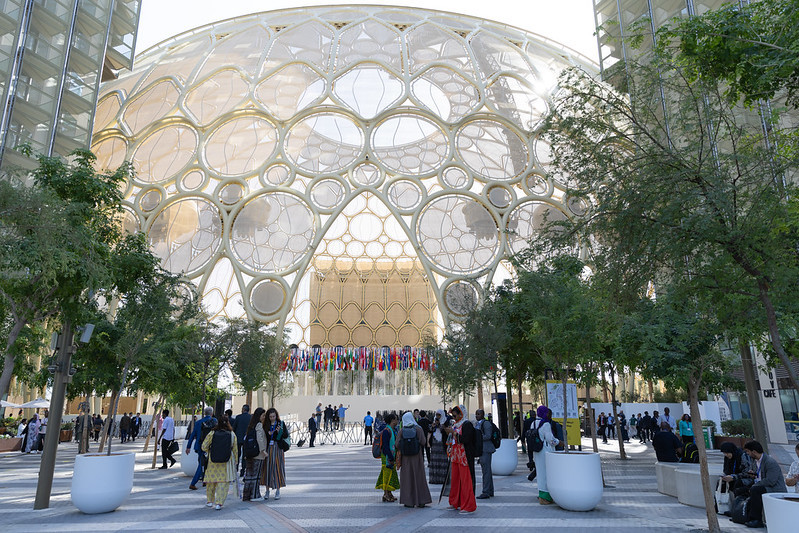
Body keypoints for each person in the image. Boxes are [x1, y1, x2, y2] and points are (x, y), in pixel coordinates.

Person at [742, 440, 787, 528]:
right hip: (761, 485)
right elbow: (759, 475)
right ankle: (743, 516)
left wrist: (756, 484)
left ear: (754, 452)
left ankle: (757, 520)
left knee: (755, 490)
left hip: (774, 488)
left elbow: (770, 481)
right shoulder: (755, 461)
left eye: (748, 451)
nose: (747, 454)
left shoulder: (770, 462)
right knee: (741, 487)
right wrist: (753, 474)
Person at [443, 405, 477, 514]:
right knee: (455, 480)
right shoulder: (455, 424)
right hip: (455, 455)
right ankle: (455, 502)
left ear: (461, 414)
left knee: (466, 480)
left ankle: (468, 505)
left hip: (464, 457)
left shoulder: (467, 424)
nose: (454, 417)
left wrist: (453, 433)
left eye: (455, 415)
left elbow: (466, 439)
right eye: (453, 415)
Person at [201, 415, 238, 510]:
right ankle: (219, 503)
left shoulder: (212, 433)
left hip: (212, 462)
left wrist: (210, 451)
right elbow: (235, 450)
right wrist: (236, 461)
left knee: (211, 482)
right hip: (226, 462)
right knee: (223, 483)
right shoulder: (232, 434)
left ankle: (210, 501)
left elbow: (204, 446)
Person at [397, 411, 432, 508]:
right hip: (417, 457)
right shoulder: (418, 429)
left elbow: (397, 444)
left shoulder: (402, 430)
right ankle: (421, 500)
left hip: (406, 459)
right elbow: (423, 441)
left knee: (407, 479)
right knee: (419, 477)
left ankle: (408, 501)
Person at [532, 405, 560, 505]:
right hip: (545, 451)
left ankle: (542, 496)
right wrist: (558, 442)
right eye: (547, 412)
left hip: (537, 451)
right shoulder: (546, 424)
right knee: (547, 473)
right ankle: (546, 497)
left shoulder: (533, 423)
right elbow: (550, 440)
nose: (548, 414)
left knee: (540, 473)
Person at [187, 406, 216, 490]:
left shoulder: (198, 422)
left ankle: (204, 480)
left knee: (201, 462)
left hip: (199, 445)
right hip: (210, 446)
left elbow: (192, 435)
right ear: (212, 413)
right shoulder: (214, 421)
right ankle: (193, 483)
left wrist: (188, 446)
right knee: (203, 464)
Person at [262, 407, 288, 500]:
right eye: (270, 416)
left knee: (278, 467)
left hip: (278, 448)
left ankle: (278, 490)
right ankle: (267, 491)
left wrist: (279, 432)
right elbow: (264, 437)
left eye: (274, 416)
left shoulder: (280, 424)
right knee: (268, 468)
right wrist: (268, 434)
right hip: (269, 448)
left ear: (276, 416)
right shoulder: (265, 425)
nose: (272, 418)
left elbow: (286, 435)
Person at [242, 407, 267, 502]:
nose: (264, 417)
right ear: (259, 416)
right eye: (263, 415)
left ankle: (247, 495)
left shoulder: (251, 425)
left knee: (249, 476)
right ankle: (255, 495)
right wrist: (263, 450)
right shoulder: (259, 425)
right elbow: (259, 438)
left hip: (250, 453)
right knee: (256, 476)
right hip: (258, 454)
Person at [376, 413, 400, 502]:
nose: (397, 421)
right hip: (387, 457)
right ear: (392, 420)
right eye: (396, 419)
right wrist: (390, 457)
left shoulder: (392, 430)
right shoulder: (387, 431)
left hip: (391, 456)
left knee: (391, 475)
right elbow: (385, 446)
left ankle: (389, 493)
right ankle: (386, 494)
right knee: (386, 475)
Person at [474, 408, 495, 499]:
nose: (477, 416)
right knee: (486, 471)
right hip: (482, 449)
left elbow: (488, 436)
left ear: (483, 415)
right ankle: (490, 490)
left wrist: (477, 437)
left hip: (486, 449)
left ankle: (486, 491)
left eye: (478, 414)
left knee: (486, 471)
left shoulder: (486, 424)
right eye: (476, 414)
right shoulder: (477, 424)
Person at [428, 409, 449, 484]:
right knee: (434, 460)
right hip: (435, 444)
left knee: (442, 460)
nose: (438, 416)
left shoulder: (446, 422)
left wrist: (440, 425)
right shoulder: (434, 421)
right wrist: (433, 426)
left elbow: (447, 432)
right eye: (437, 415)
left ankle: (442, 479)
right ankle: (434, 479)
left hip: (442, 444)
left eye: (439, 415)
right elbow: (430, 431)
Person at [232, 404, 251, 476]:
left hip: (238, 438)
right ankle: (243, 470)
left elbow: (234, 427)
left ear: (243, 409)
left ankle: (236, 468)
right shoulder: (250, 417)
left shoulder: (238, 417)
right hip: (247, 439)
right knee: (244, 456)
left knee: (237, 454)